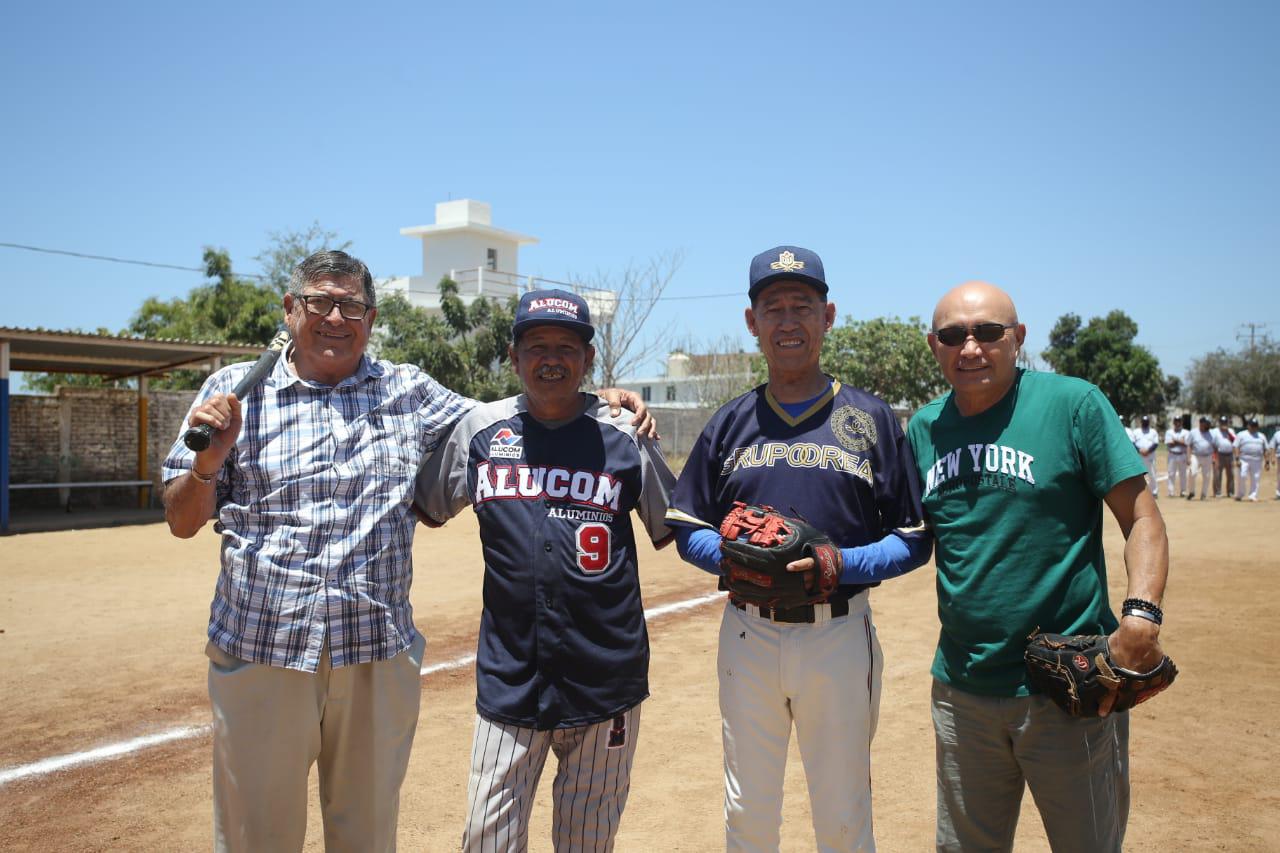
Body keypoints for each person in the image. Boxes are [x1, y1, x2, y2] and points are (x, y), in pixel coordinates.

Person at [161, 251, 652, 853]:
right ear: (291, 310)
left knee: (366, 834)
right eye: (320, 302)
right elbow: (181, 519)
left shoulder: (409, 391)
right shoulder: (233, 393)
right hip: (264, 646)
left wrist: (592, 395)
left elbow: (521, 416)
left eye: (352, 306)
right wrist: (209, 461)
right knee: (254, 835)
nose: (335, 317)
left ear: (371, 319)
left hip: (373, 653)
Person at [664, 246, 931, 852]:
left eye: (802, 307)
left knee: (842, 815)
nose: (788, 321)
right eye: (773, 307)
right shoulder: (728, 422)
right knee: (748, 813)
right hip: (748, 634)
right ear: (751, 322)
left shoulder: (871, 418)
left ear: (828, 315)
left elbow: (913, 539)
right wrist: (735, 560)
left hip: (837, 634)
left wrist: (843, 564)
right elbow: (687, 527)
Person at [904, 281, 1169, 853]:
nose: (970, 347)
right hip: (963, 691)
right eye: (953, 336)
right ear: (934, 346)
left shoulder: (1072, 404)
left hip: (1066, 687)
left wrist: (1141, 616)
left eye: (987, 332)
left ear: (1018, 339)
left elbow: (1141, 518)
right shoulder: (923, 430)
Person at [413, 289, 675, 852]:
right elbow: (426, 506)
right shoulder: (479, 430)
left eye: (566, 347)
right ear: (513, 357)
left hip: (605, 678)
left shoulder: (624, 434)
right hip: (511, 678)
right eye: (536, 347)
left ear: (588, 361)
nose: (550, 358)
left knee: (587, 841)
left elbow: (673, 526)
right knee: (487, 840)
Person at [1234, 417, 1267, 502]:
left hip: (1257, 460)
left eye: (1255, 426)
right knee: (1242, 475)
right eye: (1252, 425)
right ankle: (1240, 494)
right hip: (1244, 459)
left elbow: (1265, 449)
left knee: (1256, 478)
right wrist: (1237, 459)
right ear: (1248, 426)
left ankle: (1253, 495)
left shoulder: (1261, 436)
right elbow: (1236, 446)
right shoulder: (1241, 434)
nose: (1253, 427)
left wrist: (1267, 461)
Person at [1187, 416, 1215, 500]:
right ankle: (1191, 492)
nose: (1208, 425)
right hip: (1195, 456)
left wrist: (1214, 458)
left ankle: (1204, 494)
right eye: (1206, 424)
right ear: (1201, 423)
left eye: (1208, 424)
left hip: (1208, 456)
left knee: (1206, 476)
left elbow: (1214, 446)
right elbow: (1189, 445)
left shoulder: (1211, 433)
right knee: (1192, 473)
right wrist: (1188, 457)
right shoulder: (1193, 432)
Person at [1132, 415, 1161, 497]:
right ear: (1142, 422)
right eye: (1144, 422)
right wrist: (1139, 450)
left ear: (1148, 423)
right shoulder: (1136, 431)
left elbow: (1155, 443)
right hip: (1139, 455)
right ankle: (1138, 492)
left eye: (1146, 422)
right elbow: (1133, 443)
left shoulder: (1153, 432)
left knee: (1152, 474)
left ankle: (1154, 492)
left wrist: (1148, 451)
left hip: (1150, 455)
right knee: (1138, 474)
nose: (1145, 423)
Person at [1210, 415, 1236, 497]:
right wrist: (1214, 457)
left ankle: (1230, 492)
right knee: (1217, 474)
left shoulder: (1231, 431)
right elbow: (1212, 445)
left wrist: (1228, 432)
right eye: (1222, 422)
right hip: (1219, 454)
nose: (1223, 424)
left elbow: (1235, 441)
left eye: (1225, 422)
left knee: (1231, 474)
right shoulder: (1214, 431)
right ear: (1219, 423)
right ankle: (1217, 492)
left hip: (1230, 454)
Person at [1164, 415, 1189, 497]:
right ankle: (1171, 492)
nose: (1177, 423)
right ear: (1174, 422)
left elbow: (1186, 444)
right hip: (1172, 455)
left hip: (1182, 455)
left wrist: (1175, 441)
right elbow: (1169, 444)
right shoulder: (1169, 432)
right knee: (1171, 474)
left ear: (1181, 422)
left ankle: (1183, 491)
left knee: (1183, 474)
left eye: (1179, 421)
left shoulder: (1186, 432)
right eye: (1176, 421)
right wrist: (1180, 441)